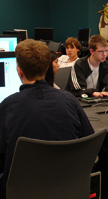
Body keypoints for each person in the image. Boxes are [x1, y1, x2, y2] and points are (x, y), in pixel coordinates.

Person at [0, 39, 95, 198]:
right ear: (47, 68)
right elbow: (89, 143)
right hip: (68, 187)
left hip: (20, 191)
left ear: (19, 72)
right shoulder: (70, 100)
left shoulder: (8, 106)